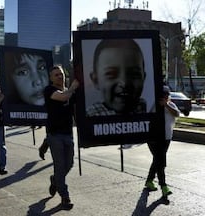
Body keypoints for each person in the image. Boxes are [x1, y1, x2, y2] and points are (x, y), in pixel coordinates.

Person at [44, 65, 79, 210]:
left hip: (68, 134)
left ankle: (55, 180)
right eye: (56, 75)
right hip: (55, 135)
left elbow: (76, 108)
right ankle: (65, 196)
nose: (60, 76)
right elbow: (63, 97)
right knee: (59, 165)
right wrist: (73, 87)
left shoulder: (70, 92)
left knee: (69, 163)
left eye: (61, 74)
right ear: (51, 78)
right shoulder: (49, 90)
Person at [86, 39, 147, 116]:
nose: (124, 83)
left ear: (143, 78)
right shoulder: (91, 114)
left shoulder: (144, 107)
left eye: (134, 74)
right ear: (95, 80)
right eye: (111, 74)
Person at [144, 86, 180, 198]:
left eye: (166, 95)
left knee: (157, 160)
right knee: (160, 161)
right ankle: (163, 186)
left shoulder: (171, 105)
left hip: (166, 138)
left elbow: (177, 114)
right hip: (153, 139)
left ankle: (149, 181)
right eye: (162, 96)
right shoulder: (152, 105)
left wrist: (166, 105)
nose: (164, 97)